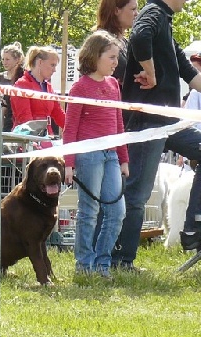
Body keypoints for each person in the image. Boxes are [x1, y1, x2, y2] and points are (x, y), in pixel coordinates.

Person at [112, 0, 201, 269]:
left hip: (170, 122)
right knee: (137, 194)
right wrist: (150, 73)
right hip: (147, 123)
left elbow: (190, 74)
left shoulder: (165, 21)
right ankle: (121, 260)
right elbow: (139, 36)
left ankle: (193, 227)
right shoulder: (154, 12)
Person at [63, 30, 129, 278]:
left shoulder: (114, 85)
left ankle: (103, 263)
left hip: (111, 155)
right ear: (95, 56)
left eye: (116, 57)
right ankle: (84, 265)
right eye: (111, 57)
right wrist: (69, 164)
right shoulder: (80, 88)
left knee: (117, 211)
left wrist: (123, 158)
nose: (115, 63)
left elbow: (119, 124)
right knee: (89, 211)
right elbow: (70, 128)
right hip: (88, 155)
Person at [10, 46, 66, 137]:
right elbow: (25, 120)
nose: (55, 70)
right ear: (40, 62)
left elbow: (60, 115)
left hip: (45, 138)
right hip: (26, 140)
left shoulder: (49, 87)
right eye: (52, 65)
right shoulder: (22, 85)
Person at [96, 0, 139, 85]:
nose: (137, 14)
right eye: (133, 9)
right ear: (116, 11)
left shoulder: (125, 42)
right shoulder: (102, 43)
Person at [0, 42, 25, 131]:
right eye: (3, 59)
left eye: (7, 59)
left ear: (17, 60)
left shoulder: (24, 77)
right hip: (4, 120)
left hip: (20, 120)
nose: (4, 62)